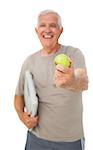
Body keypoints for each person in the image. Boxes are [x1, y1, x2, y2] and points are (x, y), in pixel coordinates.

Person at [14, 10, 88, 150]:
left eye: (53, 25)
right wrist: (23, 117)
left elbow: (83, 81)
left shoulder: (73, 54)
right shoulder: (29, 62)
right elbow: (18, 96)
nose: (47, 30)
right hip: (36, 139)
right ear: (37, 31)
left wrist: (72, 80)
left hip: (70, 141)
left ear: (61, 30)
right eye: (43, 25)